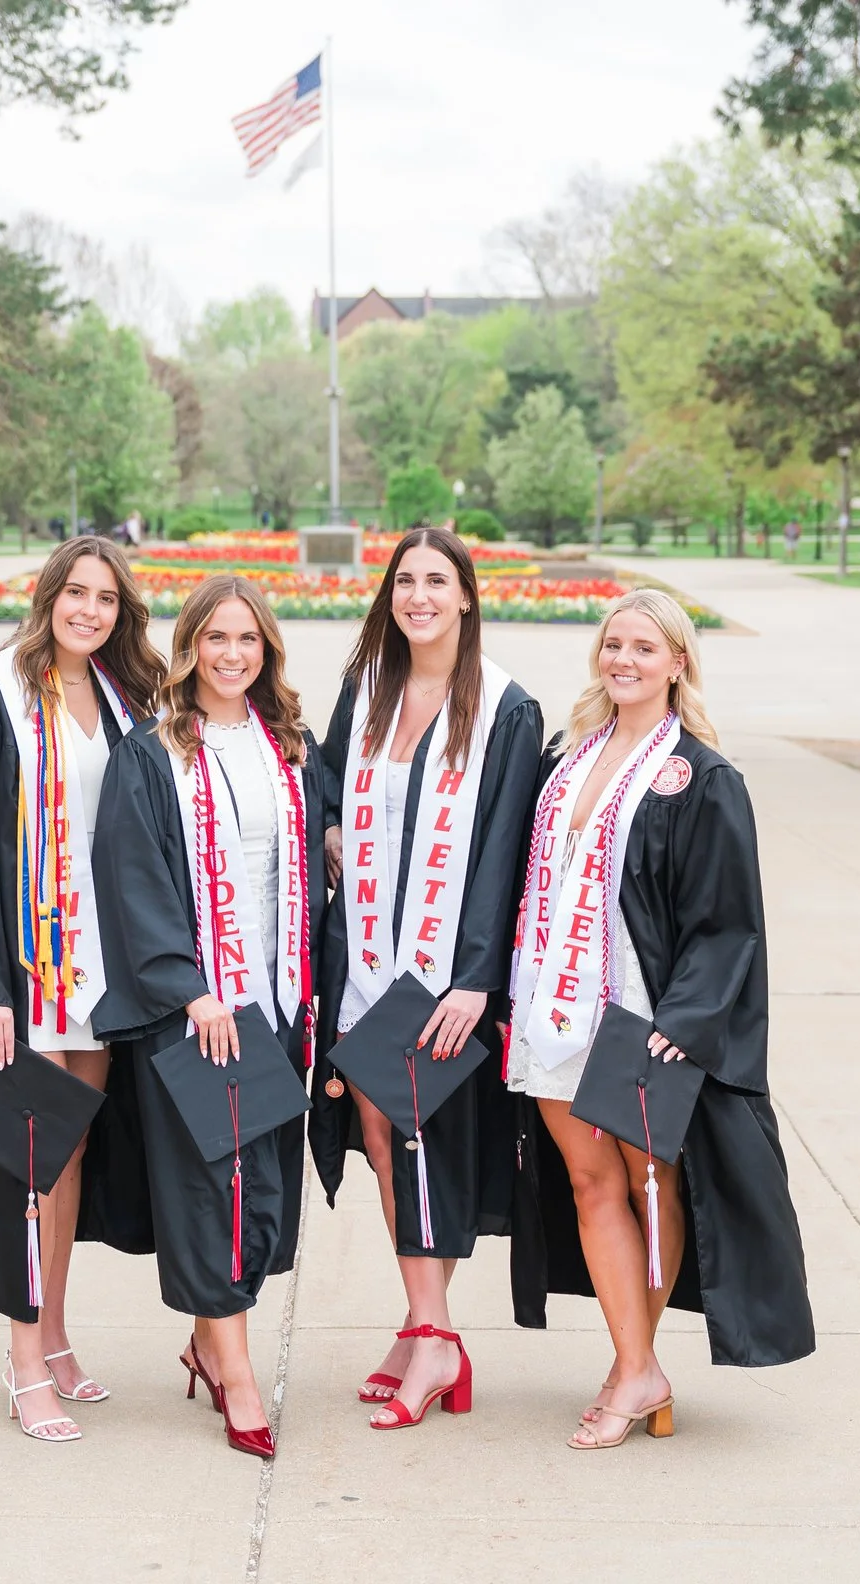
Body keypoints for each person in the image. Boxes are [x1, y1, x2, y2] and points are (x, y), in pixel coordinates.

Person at [506, 590, 815, 1449]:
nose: (625, 660)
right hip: (555, 1005)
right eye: (614, 644)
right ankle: (634, 1363)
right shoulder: (568, 757)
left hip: (640, 1019)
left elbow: (728, 919)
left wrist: (686, 1017)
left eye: (645, 647)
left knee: (650, 1185)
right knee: (588, 1183)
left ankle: (637, 1369)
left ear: (679, 661)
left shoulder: (703, 778)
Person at [0, 536, 166, 1444]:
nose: (89, 610)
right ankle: (21, 1361)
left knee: (70, 1158)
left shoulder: (123, 702)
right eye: (75, 593)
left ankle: (53, 1334)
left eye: (106, 599)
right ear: (49, 595)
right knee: (26, 1160)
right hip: (24, 967)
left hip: (98, 967)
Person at [311, 527, 544, 1431]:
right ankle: (424, 1326)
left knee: (420, 1140)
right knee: (379, 1128)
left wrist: (478, 978)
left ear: (467, 597)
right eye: (404, 580)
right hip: (364, 954)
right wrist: (330, 821)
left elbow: (504, 849)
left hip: (447, 971)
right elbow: (326, 776)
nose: (418, 596)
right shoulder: (368, 688)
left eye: (435, 581)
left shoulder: (504, 710)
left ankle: (436, 1336)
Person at [93, 574, 324, 1460]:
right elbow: (136, 883)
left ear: (267, 652)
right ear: (190, 646)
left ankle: (205, 1339)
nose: (233, 655)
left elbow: (316, 856)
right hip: (196, 1014)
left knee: (256, 1197)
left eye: (250, 641)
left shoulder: (289, 748)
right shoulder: (152, 756)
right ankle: (236, 1375)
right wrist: (191, 989)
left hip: (271, 1006)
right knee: (212, 1194)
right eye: (217, 638)